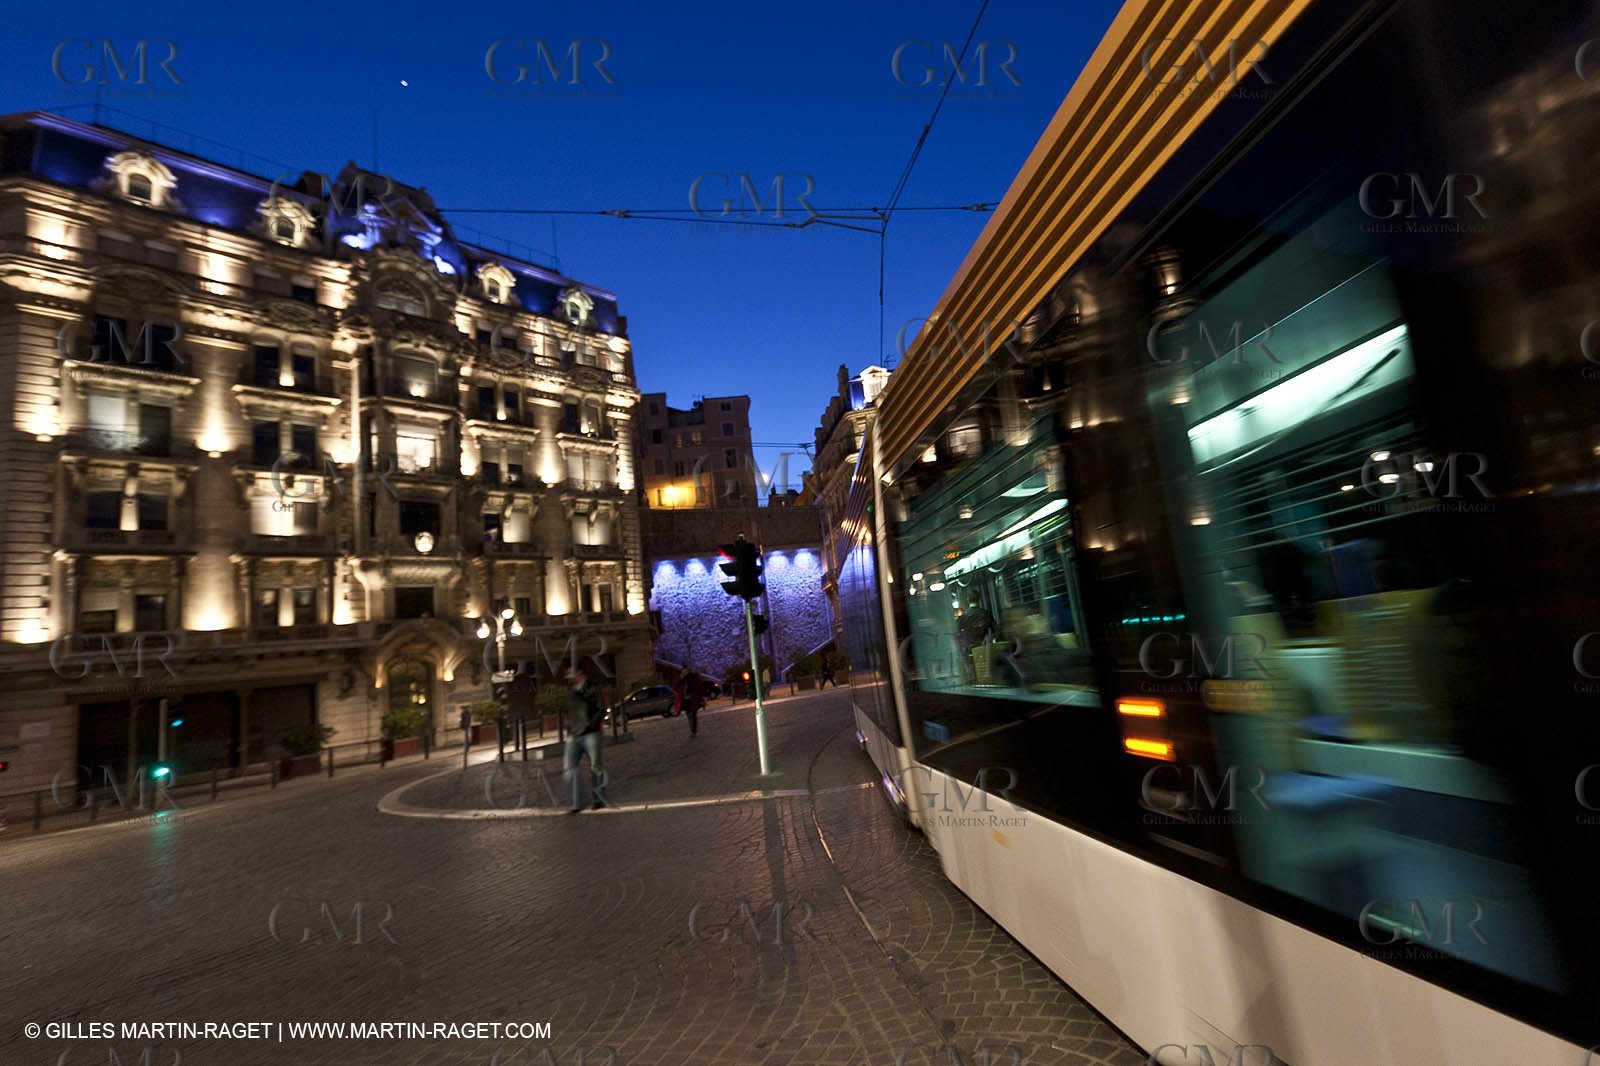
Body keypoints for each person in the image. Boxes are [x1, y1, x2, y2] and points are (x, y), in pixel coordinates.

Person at [563, 665, 611, 813]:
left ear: (579, 672)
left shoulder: (594, 687)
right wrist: (569, 726)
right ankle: (576, 803)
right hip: (573, 734)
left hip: (591, 733)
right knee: (569, 769)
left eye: (569, 672)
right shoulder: (570, 690)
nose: (567, 676)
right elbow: (568, 710)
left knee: (595, 767)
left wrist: (590, 725)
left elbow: (602, 708)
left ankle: (599, 799)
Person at [686, 670, 705, 737]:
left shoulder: (695, 680)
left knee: (692, 716)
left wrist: (701, 699)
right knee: (691, 716)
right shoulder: (685, 680)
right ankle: (693, 730)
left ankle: (693, 730)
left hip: (692, 701)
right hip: (689, 701)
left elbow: (701, 690)